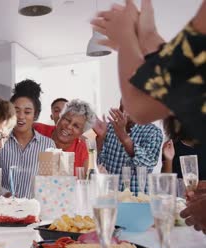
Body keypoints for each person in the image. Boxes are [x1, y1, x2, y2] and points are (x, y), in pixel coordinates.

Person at [91, 0, 206, 232]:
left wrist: (126, 38)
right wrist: (147, 37)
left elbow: (141, 106)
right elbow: (179, 76)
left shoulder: (150, 131)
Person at [0, 79, 55, 199]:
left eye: (27, 112)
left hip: (35, 211)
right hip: (4, 209)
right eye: (16, 111)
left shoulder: (47, 145)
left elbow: (50, 182)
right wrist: (6, 196)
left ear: (35, 115)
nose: (21, 117)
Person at [94, 102, 163, 193]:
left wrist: (123, 136)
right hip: (110, 196)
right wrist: (100, 138)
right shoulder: (109, 128)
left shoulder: (153, 132)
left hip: (137, 199)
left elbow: (147, 164)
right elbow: (99, 165)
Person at [34, 99, 96, 171]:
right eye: (67, 119)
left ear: (81, 133)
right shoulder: (36, 130)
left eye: (76, 126)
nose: (69, 126)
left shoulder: (83, 151)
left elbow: (87, 179)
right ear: (60, 117)